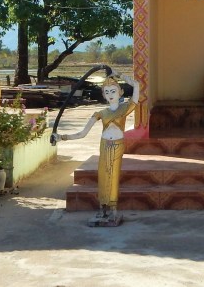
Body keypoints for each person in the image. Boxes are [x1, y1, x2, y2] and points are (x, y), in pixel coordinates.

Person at [55, 73, 140, 227]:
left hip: (117, 145)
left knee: (113, 176)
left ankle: (113, 208)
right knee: (103, 176)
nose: (110, 94)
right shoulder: (101, 113)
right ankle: (103, 208)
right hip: (104, 145)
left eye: (113, 91)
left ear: (120, 92)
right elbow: (82, 133)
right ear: (103, 95)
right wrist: (62, 137)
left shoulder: (124, 109)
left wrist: (125, 77)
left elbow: (136, 93)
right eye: (106, 92)